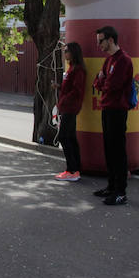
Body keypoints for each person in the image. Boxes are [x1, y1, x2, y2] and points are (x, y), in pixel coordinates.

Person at [92, 26, 134, 205]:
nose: (98, 45)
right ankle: (111, 186)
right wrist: (102, 80)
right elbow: (98, 83)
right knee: (109, 149)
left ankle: (120, 192)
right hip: (107, 108)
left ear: (110, 40)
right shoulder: (108, 61)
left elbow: (112, 86)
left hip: (117, 110)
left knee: (118, 151)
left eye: (100, 41)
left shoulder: (123, 60)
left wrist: (102, 80)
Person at [54, 42, 86, 182]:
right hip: (67, 106)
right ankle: (75, 168)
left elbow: (77, 90)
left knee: (64, 136)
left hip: (70, 107)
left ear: (73, 52)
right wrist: (59, 87)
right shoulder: (72, 68)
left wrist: (65, 99)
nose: (65, 53)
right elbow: (69, 88)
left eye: (67, 51)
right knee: (71, 137)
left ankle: (72, 170)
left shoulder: (78, 70)